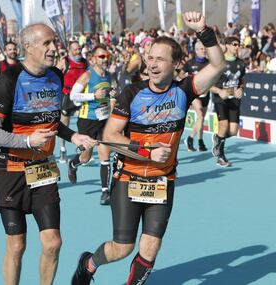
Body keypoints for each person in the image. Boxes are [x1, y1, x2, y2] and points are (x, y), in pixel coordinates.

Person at [71, 11, 225, 285]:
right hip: (129, 179)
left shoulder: (184, 90)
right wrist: (146, 151)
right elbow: (110, 135)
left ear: (176, 64)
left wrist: (203, 31)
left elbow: (217, 66)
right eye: (150, 58)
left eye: (160, 59)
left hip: (163, 181)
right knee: (123, 247)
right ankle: (89, 263)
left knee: (151, 247)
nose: (152, 64)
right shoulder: (132, 94)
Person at [0, 23, 96, 285]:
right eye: (47, 43)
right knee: (17, 245)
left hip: (42, 169)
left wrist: (73, 135)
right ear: (28, 47)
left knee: (53, 242)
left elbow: (52, 119)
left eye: (54, 42)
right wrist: (27, 140)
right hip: (8, 169)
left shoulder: (55, 76)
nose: (54, 48)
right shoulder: (9, 80)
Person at [67, 45, 115, 205]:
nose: (105, 59)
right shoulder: (87, 75)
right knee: (86, 156)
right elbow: (73, 96)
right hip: (87, 120)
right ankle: (73, 163)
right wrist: (93, 95)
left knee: (105, 153)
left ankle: (105, 192)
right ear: (93, 59)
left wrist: (113, 94)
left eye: (106, 55)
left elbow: (112, 92)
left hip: (104, 121)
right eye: (101, 56)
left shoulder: (109, 76)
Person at [210, 36, 246, 167]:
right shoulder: (219, 62)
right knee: (223, 126)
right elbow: (208, 84)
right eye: (235, 44)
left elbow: (242, 80)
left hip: (234, 100)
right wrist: (219, 92)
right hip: (221, 99)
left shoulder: (241, 63)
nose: (237, 47)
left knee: (233, 131)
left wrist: (241, 89)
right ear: (227, 45)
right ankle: (220, 157)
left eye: (238, 45)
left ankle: (218, 138)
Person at [56, 41, 88, 163]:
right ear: (70, 51)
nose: (78, 51)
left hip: (81, 96)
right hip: (67, 96)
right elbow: (53, 74)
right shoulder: (65, 61)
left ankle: (82, 151)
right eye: (75, 49)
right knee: (64, 124)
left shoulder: (85, 62)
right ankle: (62, 149)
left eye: (79, 48)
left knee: (83, 124)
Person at [182, 40, 210, 152]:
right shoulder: (190, 63)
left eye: (205, 49)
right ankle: (195, 140)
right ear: (196, 50)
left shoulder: (209, 63)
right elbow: (181, 75)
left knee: (201, 119)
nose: (204, 51)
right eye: (201, 49)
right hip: (194, 94)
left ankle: (196, 139)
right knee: (201, 116)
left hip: (206, 93)